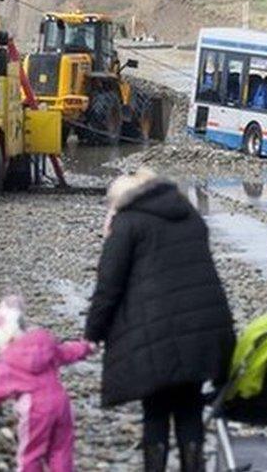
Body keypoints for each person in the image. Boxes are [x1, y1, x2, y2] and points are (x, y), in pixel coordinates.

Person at [85, 168, 235, 472]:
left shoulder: (128, 223)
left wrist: (93, 332)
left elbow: (108, 285)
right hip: (200, 329)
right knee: (189, 408)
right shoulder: (189, 214)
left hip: (154, 332)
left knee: (155, 410)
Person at [0, 296, 94, 472]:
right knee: (61, 450)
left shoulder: (8, 361)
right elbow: (66, 352)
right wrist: (85, 347)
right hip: (61, 403)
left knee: (31, 452)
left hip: (35, 408)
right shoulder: (44, 343)